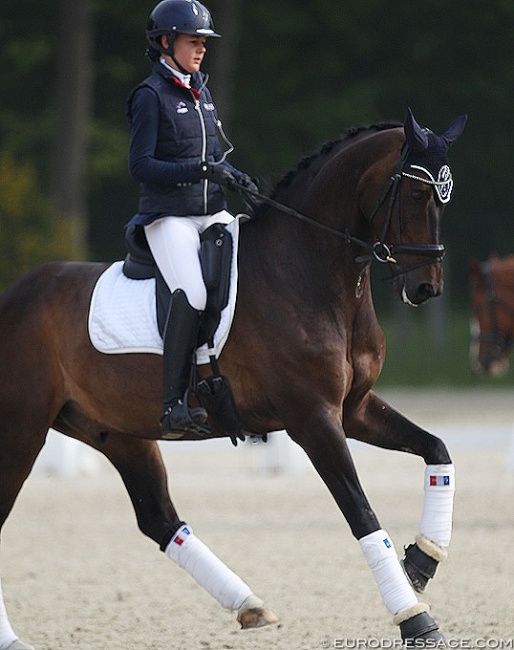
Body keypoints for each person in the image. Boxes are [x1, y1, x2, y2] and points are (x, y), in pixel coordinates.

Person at [126, 0, 257, 438]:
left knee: (251, 272)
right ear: (166, 43)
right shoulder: (150, 96)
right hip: (169, 217)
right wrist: (202, 171)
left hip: (211, 211)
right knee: (195, 293)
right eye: (192, 41)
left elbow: (215, 155)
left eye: (204, 42)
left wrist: (234, 176)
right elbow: (141, 166)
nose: (201, 49)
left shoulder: (201, 90)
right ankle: (172, 405)